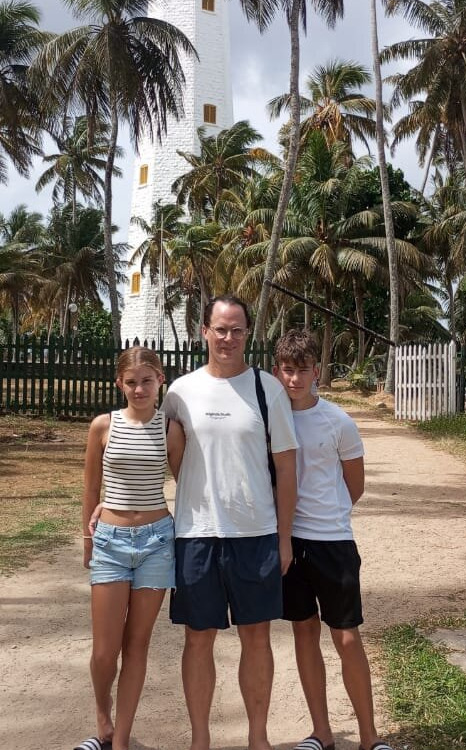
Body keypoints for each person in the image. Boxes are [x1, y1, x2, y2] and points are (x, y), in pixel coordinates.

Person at [162, 295, 298, 750]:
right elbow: (156, 455)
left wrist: (283, 538)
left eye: (237, 329)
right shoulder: (180, 391)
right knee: (198, 640)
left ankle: (257, 738)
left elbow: (286, 467)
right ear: (204, 330)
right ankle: (200, 739)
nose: (228, 338)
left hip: (255, 533)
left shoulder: (267, 389)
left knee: (256, 639)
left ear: (248, 334)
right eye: (220, 328)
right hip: (196, 534)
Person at [271, 330, 393, 750]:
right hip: (289, 541)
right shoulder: (272, 420)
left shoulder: (338, 421)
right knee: (304, 632)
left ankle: (369, 737)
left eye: (302, 370)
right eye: (287, 370)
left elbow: (353, 486)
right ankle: (321, 733)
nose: (294, 379)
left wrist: (328, 514)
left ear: (316, 372)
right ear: (277, 371)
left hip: (332, 541)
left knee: (346, 636)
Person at [77, 346, 185, 750]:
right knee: (105, 650)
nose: (139, 388)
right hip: (110, 541)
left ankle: (119, 739)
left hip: (157, 541)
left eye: (147, 380)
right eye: (131, 381)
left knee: (137, 644)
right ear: (119, 383)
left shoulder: (169, 429)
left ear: (160, 380)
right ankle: (103, 715)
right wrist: (89, 540)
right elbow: (90, 488)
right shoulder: (102, 426)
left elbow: (188, 483)